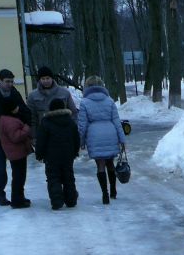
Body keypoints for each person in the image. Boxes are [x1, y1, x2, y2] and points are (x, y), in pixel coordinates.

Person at [0, 68, 32, 206]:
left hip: (15, 137)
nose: (10, 84)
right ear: (0, 81)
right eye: (7, 81)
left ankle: (19, 195)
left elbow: (25, 111)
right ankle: (0, 195)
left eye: (11, 81)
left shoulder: (14, 93)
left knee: (19, 169)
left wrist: (19, 117)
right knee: (1, 168)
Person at [78, 75, 125, 205]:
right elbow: (117, 121)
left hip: (94, 135)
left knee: (100, 165)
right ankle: (113, 190)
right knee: (110, 162)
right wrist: (122, 139)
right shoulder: (109, 101)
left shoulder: (85, 102)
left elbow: (82, 125)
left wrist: (81, 141)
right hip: (110, 133)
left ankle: (104, 194)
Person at [35, 98, 79, 210]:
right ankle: (71, 200)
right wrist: (75, 151)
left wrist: (39, 154)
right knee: (68, 177)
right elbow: (76, 138)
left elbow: (41, 140)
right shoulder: (70, 121)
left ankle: (57, 201)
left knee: (53, 178)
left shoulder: (46, 122)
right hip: (68, 155)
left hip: (51, 156)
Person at [0, 95, 34, 208]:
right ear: (11, 108)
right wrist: (26, 128)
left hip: (14, 152)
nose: (18, 108)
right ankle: (17, 201)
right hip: (17, 153)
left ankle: (19, 197)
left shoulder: (4, 118)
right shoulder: (10, 121)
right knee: (19, 177)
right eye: (16, 106)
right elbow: (16, 137)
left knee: (18, 177)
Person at [27, 66, 78, 136]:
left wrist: (73, 131)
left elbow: (73, 113)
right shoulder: (33, 96)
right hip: (44, 133)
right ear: (39, 80)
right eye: (43, 79)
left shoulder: (64, 93)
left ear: (52, 78)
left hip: (63, 132)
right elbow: (32, 118)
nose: (45, 81)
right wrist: (33, 136)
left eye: (48, 78)